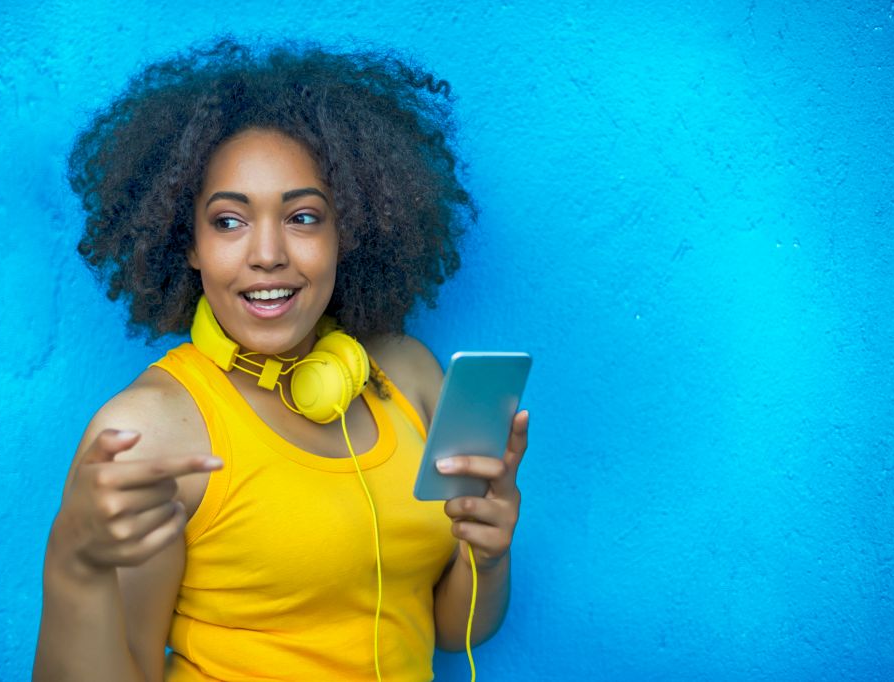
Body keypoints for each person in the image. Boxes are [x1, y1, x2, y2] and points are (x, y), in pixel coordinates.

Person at [33, 39, 529, 682]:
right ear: (189, 244)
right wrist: (73, 570)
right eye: (229, 222)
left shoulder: (409, 375)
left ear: (345, 230)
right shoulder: (148, 433)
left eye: (302, 216)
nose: (267, 253)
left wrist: (486, 556)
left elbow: (451, 630)